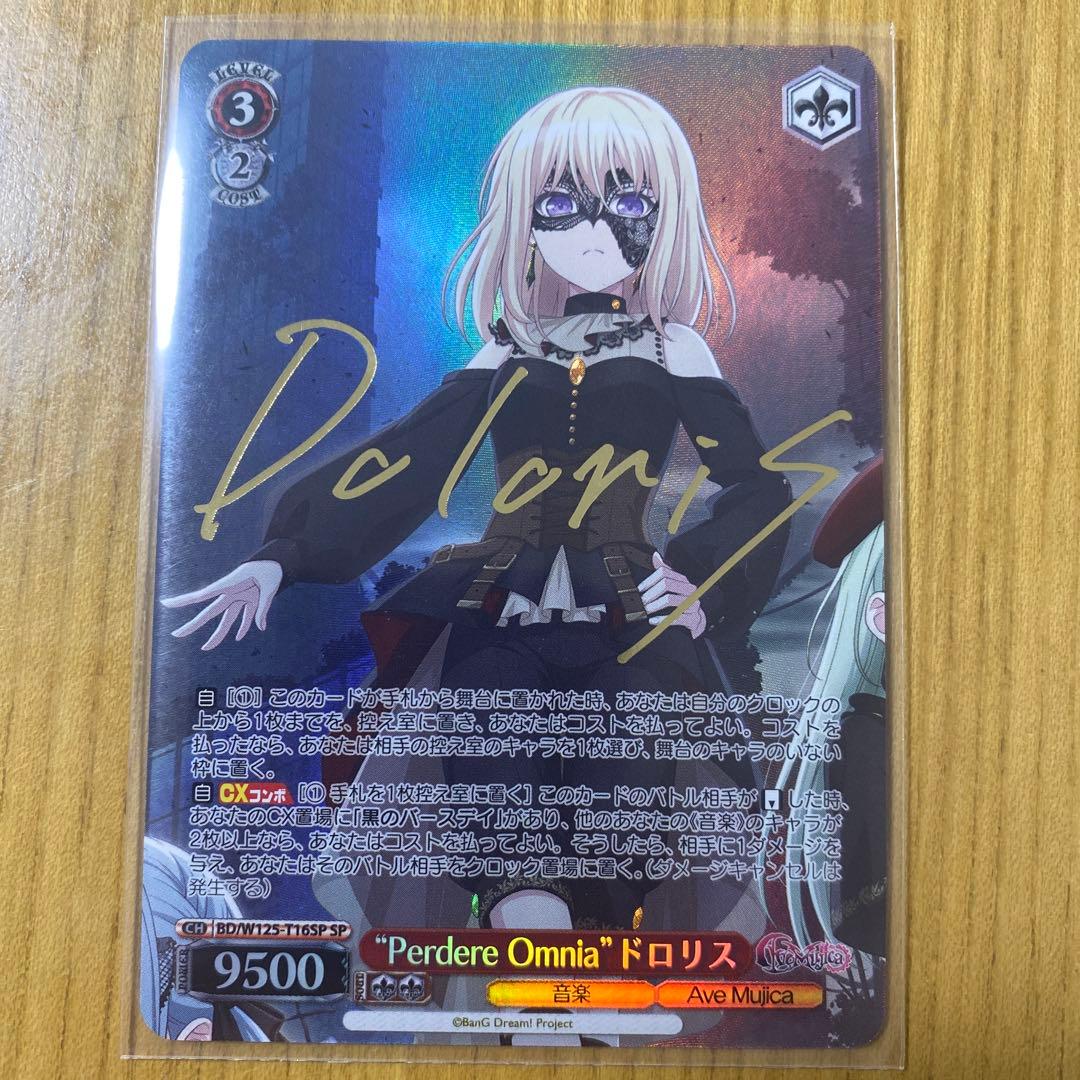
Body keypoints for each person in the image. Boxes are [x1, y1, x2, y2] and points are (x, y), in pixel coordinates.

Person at [164, 86, 791, 935]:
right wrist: (286, 553)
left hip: (630, 607)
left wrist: (703, 580)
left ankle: (592, 946)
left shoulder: (672, 346)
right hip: (499, 600)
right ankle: (521, 919)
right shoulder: (507, 346)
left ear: (665, 214)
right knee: (492, 755)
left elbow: (756, 485)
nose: (594, 230)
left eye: (629, 203)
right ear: (524, 218)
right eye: (560, 204)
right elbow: (411, 460)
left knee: (626, 775)